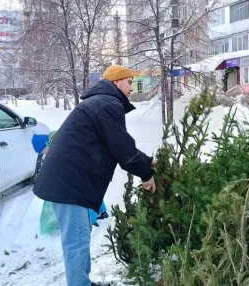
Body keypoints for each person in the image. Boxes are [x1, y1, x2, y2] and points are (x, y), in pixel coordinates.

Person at [33, 65, 156, 286]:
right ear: (117, 82)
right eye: (129, 82)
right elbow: (121, 148)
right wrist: (146, 173)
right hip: (70, 185)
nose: (132, 89)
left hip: (69, 182)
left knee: (78, 240)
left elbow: (116, 143)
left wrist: (146, 161)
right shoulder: (107, 104)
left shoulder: (101, 102)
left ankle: (83, 282)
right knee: (76, 243)